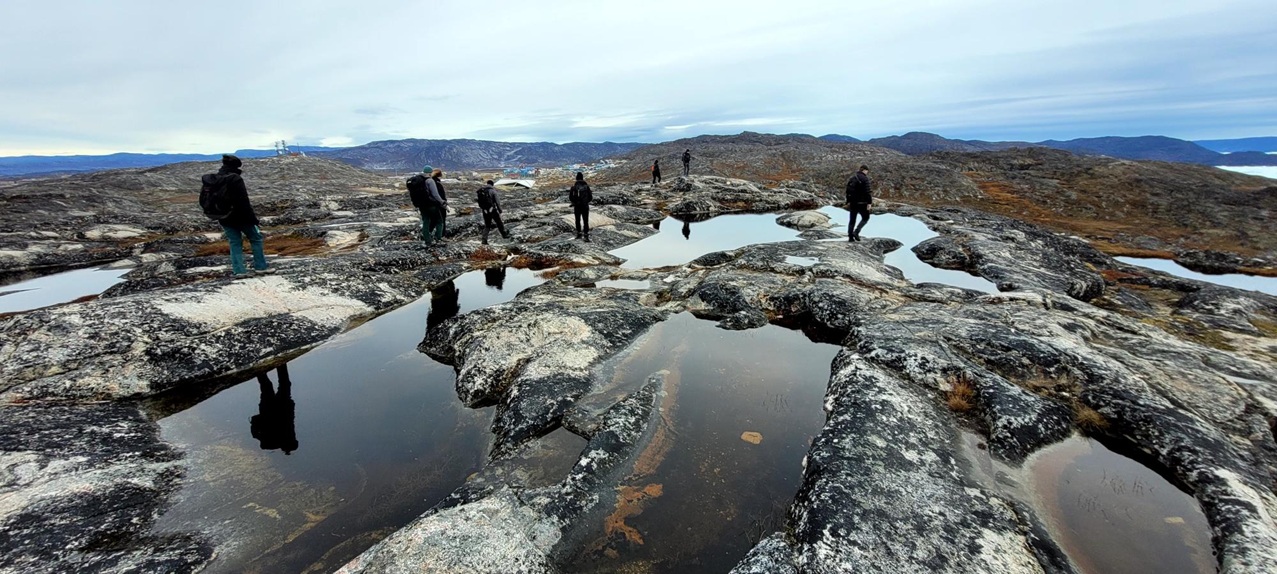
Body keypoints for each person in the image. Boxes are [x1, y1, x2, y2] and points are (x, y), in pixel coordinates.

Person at [213, 154, 272, 275]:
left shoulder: (216, 178)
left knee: (234, 242)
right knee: (256, 239)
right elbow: (243, 201)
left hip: (223, 217)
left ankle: (239, 270)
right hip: (241, 217)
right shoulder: (235, 179)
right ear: (236, 166)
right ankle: (261, 267)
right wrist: (253, 219)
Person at [250, 364, 297, 454]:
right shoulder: (281, 438)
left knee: (269, 386)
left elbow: (257, 435)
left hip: (272, 409)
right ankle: (279, 362)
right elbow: (290, 421)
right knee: (276, 385)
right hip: (281, 407)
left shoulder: (271, 441)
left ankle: (259, 366)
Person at [407, 166, 440, 245]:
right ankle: (437, 238)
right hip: (430, 204)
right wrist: (442, 203)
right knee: (439, 220)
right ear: (430, 172)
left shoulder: (417, 181)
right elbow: (435, 195)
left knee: (425, 221)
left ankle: (427, 240)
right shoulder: (429, 181)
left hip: (420, 205)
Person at [476, 180, 511, 245]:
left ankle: (484, 240)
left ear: (487, 183)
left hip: (485, 210)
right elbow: (497, 202)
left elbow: (479, 201)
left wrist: (484, 209)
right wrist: (500, 210)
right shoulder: (493, 191)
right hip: (492, 210)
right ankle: (504, 235)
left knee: (487, 225)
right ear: (492, 184)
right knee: (499, 223)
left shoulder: (481, 191)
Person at [845, 164, 873, 242]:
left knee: (852, 220)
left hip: (853, 203)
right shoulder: (865, 179)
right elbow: (868, 192)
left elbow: (848, 191)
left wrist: (848, 201)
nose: (867, 172)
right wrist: (869, 203)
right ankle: (856, 232)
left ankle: (850, 237)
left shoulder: (852, 178)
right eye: (867, 171)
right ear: (864, 170)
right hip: (862, 203)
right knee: (865, 218)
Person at [568, 171, 593, 242]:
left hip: (577, 207)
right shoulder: (586, 187)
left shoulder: (574, 187)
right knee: (585, 221)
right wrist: (585, 202)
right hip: (585, 206)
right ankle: (586, 235)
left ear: (576, 178)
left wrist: (575, 202)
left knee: (577, 220)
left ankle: (579, 234)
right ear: (582, 178)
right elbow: (590, 197)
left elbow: (570, 197)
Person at [427, 168, 449, 244]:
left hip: (431, 204)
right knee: (441, 220)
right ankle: (440, 236)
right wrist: (443, 203)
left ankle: (427, 234)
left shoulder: (429, 181)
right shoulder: (436, 183)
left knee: (433, 220)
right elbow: (438, 195)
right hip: (439, 205)